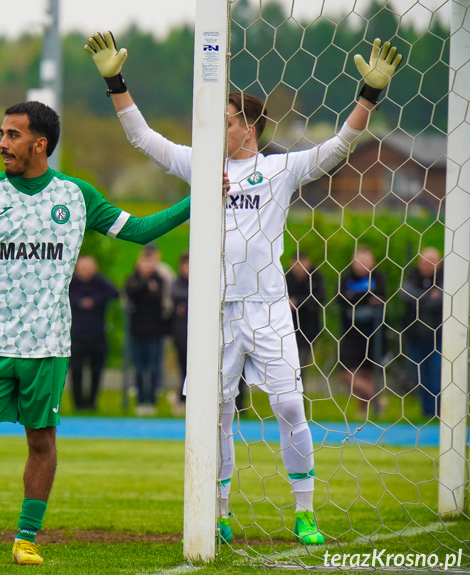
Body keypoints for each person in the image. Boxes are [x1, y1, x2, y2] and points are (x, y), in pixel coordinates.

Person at [85, 30, 402, 545]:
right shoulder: (202, 165)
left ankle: (304, 512)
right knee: (216, 413)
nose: (216, 127)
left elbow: (340, 146)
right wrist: (114, 81)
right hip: (213, 312)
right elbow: (142, 137)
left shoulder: (278, 170)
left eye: (226, 120)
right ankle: (221, 511)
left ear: (249, 126)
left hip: (268, 307)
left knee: (290, 407)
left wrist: (369, 96)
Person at [0, 100, 192, 565]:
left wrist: (198, 199)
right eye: (2, 134)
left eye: (12, 135)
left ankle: (26, 538)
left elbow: (141, 228)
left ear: (39, 143)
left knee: (41, 440)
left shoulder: (77, 195)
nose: (1, 143)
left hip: (48, 345)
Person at [338, 246, 387, 415]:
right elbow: (342, 298)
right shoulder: (346, 278)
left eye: (366, 260)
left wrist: (355, 297)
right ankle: (376, 397)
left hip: (374, 332)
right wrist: (366, 297)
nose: (363, 264)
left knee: (367, 372)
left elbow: (380, 297)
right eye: (360, 261)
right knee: (345, 373)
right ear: (353, 262)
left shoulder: (378, 277)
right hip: (351, 333)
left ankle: (363, 411)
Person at [68, 255, 118, 411]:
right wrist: (78, 301)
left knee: (97, 370)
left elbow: (115, 292)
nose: (85, 271)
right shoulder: (71, 283)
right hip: (76, 335)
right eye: (82, 268)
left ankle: (92, 402)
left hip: (97, 335)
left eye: (88, 268)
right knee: (75, 370)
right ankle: (78, 403)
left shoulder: (100, 282)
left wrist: (94, 300)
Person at [401, 247, 442, 418]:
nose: (428, 265)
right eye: (424, 261)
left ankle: (439, 411)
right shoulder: (412, 275)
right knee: (420, 376)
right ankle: (427, 412)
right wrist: (429, 296)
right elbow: (405, 293)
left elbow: (442, 299)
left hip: (439, 337)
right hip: (415, 335)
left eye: (432, 262)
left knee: (437, 372)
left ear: (439, 263)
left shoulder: (445, 277)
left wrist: (421, 298)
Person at [125, 248, 167, 415]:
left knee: (154, 367)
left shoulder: (160, 279)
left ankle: (152, 401)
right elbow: (131, 293)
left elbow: (157, 296)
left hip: (155, 331)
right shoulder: (132, 279)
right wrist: (146, 286)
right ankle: (141, 401)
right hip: (136, 332)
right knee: (139, 368)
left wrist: (145, 290)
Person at [285, 252, 325, 368]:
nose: (299, 267)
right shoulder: (285, 276)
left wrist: (297, 302)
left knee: (302, 360)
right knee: (289, 358)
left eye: (302, 262)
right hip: (289, 326)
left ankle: (300, 382)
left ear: (308, 262)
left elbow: (321, 296)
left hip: (309, 325)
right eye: (296, 264)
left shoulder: (316, 276)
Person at [168, 253, 189, 416]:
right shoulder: (177, 283)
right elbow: (175, 295)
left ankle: (183, 397)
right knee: (184, 367)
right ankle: (182, 398)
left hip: (202, 340)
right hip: (181, 335)